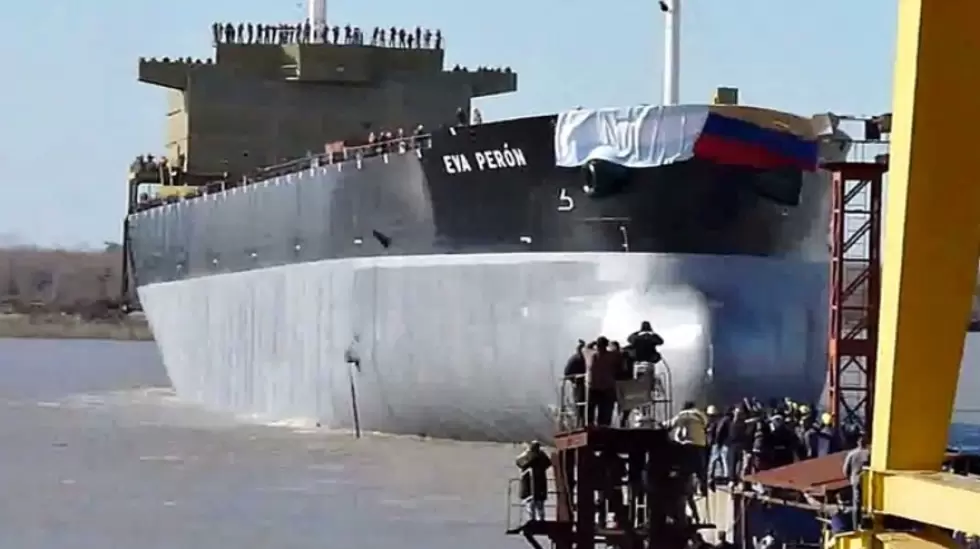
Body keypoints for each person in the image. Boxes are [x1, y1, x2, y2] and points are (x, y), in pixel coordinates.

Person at [669, 401, 709, 498]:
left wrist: (663, 425)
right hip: (701, 444)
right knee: (701, 469)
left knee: (685, 469)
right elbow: (706, 425)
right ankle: (703, 489)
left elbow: (671, 423)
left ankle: (683, 489)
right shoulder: (701, 416)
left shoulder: (684, 415)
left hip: (689, 445)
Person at [584, 337, 618, 426]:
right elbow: (617, 350)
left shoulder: (590, 354)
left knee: (591, 409)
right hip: (607, 387)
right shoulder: (612, 356)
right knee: (605, 411)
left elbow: (586, 348)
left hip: (594, 386)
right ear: (606, 346)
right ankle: (604, 427)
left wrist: (593, 343)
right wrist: (611, 344)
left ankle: (591, 426)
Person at [516, 441, 552, 521]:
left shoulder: (541, 456)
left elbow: (548, 463)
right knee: (531, 505)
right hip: (529, 486)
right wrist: (530, 454)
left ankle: (540, 520)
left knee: (539, 506)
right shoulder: (527, 455)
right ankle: (533, 520)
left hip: (538, 487)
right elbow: (519, 463)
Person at [842, 434, 869, 528]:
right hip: (867, 481)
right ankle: (864, 524)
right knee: (868, 503)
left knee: (857, 503)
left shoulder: (851, 454)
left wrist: (850, 479)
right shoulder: (869, 454)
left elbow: (845, 470)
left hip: (855, 480)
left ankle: (856, 525)